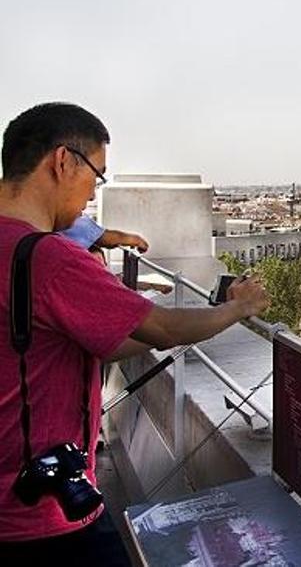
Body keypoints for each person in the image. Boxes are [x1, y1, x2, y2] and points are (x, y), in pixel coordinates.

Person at [0, 103, 270, 564]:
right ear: (63, 161)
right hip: (40, 516)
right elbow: (161, 326)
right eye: (97, 174)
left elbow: (96, 337)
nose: (92, 194)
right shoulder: (49, 259)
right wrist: (237, 307)